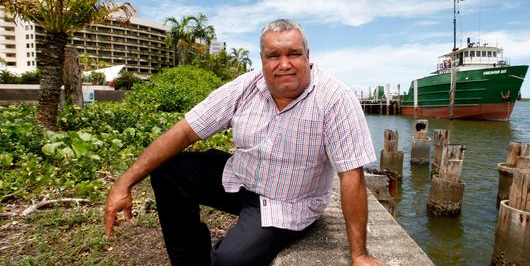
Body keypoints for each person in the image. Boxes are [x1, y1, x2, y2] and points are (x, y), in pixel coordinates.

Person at [104, 19, 383, 266]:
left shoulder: (335, 99)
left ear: (308, 56)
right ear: (262, 61)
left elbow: (351, 175)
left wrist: (359, 254)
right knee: (168, 171)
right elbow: (183, 133)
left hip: (287, 203)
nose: (284, 64)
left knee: (230, 260)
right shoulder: (246, 86)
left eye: (293, 54)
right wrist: (123, 183)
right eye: (274, 55)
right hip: (239, 179)